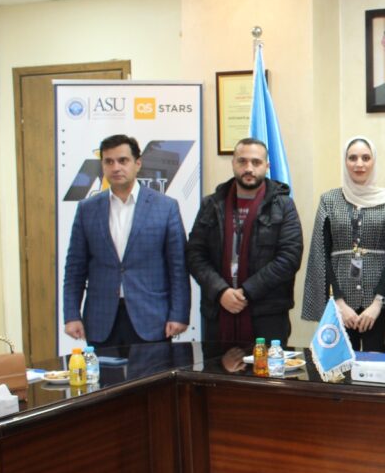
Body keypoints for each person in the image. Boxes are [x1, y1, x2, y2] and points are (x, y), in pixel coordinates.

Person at [63, 134, 190, 347]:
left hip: (152, 318)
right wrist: (71, 315)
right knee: (104, 371)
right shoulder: (87, 209)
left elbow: (178, 267)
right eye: (109, 161)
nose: (116, 167)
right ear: (102, 166)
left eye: (123, 160)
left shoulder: (166, 207)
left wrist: (179, 314)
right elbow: (75, 268)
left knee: (154, 372)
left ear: (137, 164)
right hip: (101, 319)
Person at [187, 137, 303, 346]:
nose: (249, 168)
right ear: (233, 163)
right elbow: (195, 255)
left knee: (266, 368)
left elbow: (289, 258)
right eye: (242, 161)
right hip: (218, 311)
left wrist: (247, 292)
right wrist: (221, 291)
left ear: (267, 166)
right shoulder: (211, 204)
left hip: (267, 314)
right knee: (217, 368)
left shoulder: (284, 206)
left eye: (256, 162)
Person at [302, 137, 385, 351]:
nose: (359, 164)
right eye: (353, 158)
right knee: (339, 367)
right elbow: (321, 254)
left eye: (366, 158)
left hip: (378, 308)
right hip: (339, 307)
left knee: (378, 366)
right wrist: (338, 302)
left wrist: (377, 304)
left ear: (374, 161)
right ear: (345, 161)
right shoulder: (329, 200)